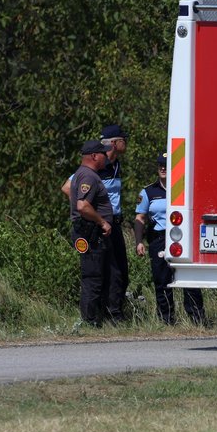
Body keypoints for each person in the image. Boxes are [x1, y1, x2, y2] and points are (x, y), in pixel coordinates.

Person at [62, 124, 130, 322]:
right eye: (123, 139)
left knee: (119, 271)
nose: (126, 143)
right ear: (115, 143)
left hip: (113, 223)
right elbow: (68, 187)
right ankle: (108, 315)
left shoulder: (116, 165)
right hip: (99, 224)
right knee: (105, 272)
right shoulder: (97, 167)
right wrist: (89, 211)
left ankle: (111, 313)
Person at [134, 151, 206, 325]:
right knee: (162, 280)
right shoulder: (148, 192)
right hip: (159, 238)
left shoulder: (184, 188)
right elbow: (139, 218)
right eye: (160, 165)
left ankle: (197, 320)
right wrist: (139, 241)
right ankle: (166, 320)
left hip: (184, 237)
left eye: (166, 165)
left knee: (189, 278)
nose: (163, 168)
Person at [69, 140, 114, 327]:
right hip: (91, 233)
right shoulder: (89, 176)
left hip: (88, 232)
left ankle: (94, 319)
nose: (106, 157)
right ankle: (90, 321)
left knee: (95, 276)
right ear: (94, 156)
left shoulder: (81, 174)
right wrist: (102, 221)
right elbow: (83, 206)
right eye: (103, 153)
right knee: (93, 278)